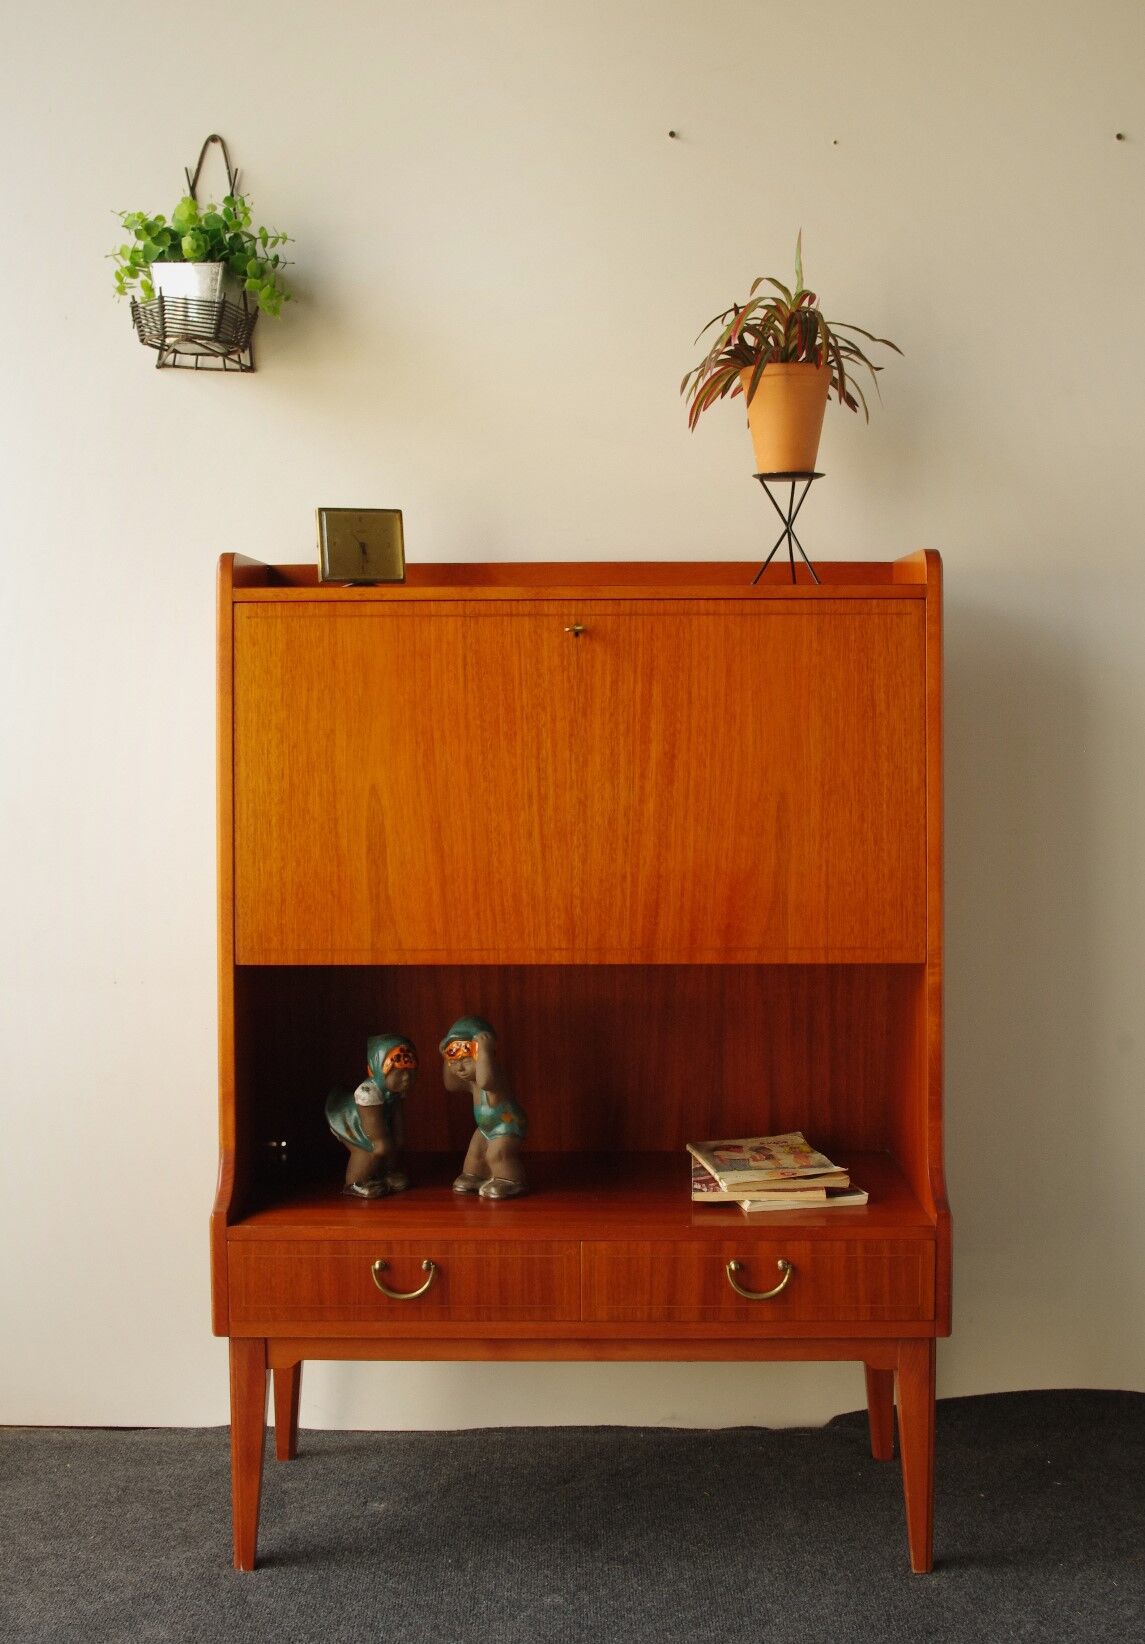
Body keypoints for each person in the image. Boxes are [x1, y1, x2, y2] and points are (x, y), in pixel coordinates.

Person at [439, 1015, 528, 1199]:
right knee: (475, 1152)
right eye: (454, 1063)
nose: (460, 1069)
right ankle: (475, 1175)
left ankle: (510, 1180)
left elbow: (486, 1081)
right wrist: (445, 1059)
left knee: (496, 1154)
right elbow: (451, 1085)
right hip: (487, 1127)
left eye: (467, 1061)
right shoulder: (472, 1082)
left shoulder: (493, 1074)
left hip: (507, 1125)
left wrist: (485, 1052)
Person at [325, 1033, 417, 1198]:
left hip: (379, 1122)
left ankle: (385, 1173)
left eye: (410, 1072)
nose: (405, 1078)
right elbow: (374, 1131)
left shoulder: (398, 1090)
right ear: (375, 1071)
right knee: (368, 1149)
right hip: (355, 1123)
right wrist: (380, 1142)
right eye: (398, 1073)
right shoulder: (368, 1093)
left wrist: (399, 1136)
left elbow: (397, 1114)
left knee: (391, 1144)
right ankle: (354, 1182)